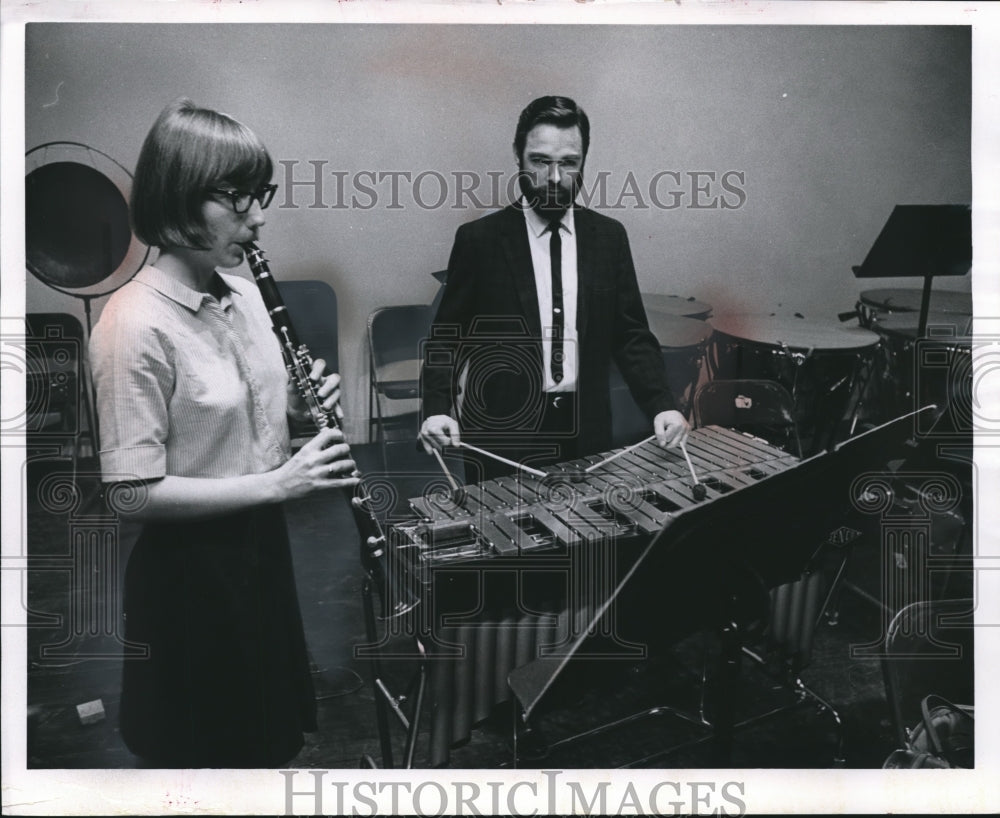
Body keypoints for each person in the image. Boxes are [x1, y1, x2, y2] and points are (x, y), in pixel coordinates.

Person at [90, 99, 358, 768]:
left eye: (258, 196)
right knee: (207, 760)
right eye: (236, 200)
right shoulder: (133, 325)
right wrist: (278, 483)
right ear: (179, 199)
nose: (258, 217)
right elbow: (130, 494)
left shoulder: (243, 297)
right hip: (190, 580)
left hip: (259, 553)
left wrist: (299, 410)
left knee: (264, 745)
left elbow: (243, 419)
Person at [420, 95, 689, 480]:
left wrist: (662, 404)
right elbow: (448, 336)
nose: (555, 178)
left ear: (583, 162)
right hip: (501, 434)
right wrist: (436, 408)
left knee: (584, 535)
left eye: (569, 163)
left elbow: (630, 336)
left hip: (587, 432)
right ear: (517, 154)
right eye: (540, 161)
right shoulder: (479, 241)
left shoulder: (609, 238)